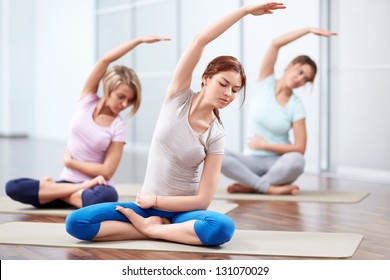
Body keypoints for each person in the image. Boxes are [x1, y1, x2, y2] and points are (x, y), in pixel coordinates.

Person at [65, 2, 286, 247]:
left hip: (178, 211)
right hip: (145, 207)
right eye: (223, 83)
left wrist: (156, 203)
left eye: (235, 90)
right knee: (77, 223)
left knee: (221, 227)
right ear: (206, 78)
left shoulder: (216, 134)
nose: (228, 94)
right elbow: (199, 41)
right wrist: (244, 11)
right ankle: (157, 228)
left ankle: (152, 231)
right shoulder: (177, 97)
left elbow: (203, 201)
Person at [5, 36, 170, 208]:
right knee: (13, 187)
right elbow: (104, 60)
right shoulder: (87, 101)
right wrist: (139, 41)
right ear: (108, 89)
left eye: (129, 100)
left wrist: (71, 163)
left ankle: (52, 192)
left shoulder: (118, 126)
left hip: (95, 186)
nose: (124, 104)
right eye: (121, 97)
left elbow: (107, 171)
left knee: (107, 195)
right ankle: (72, 192)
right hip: (70, 182)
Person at [221, 27, 337, 195]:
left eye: (306, 79)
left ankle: (253, 186)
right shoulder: (264, 82)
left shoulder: (296, 106)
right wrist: (308, 30)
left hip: (278, 166)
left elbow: (300, 148)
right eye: (300, 72)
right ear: (290, 66)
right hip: (251, 162)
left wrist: (265, 145)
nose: (300, 79)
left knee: (297, 161)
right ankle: (266, 187)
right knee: (217, 155)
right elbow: (275, 44)